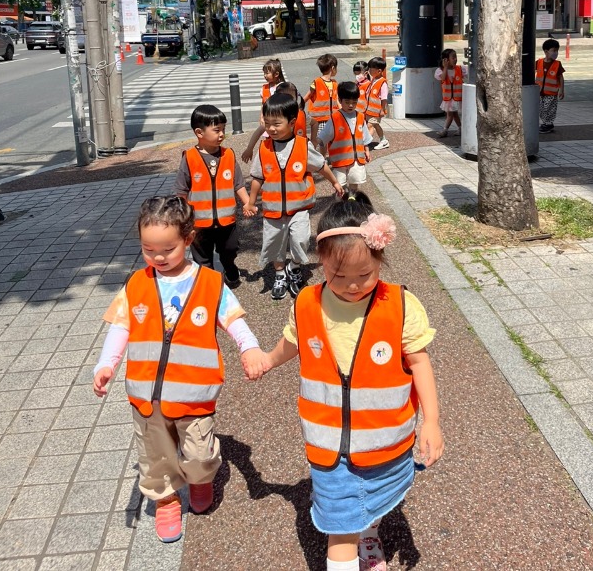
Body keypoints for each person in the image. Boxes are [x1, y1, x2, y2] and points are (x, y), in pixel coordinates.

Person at [262, 193, 444, 571]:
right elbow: (290, 344)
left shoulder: (401, 305)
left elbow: (420, 362)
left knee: (373, 500)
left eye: (364, 275)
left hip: (384, 440)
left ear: (380, 260)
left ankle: (370, 530)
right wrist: (266, 360)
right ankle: (354, 539)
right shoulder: (308, 303)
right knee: (339, 526)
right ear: (321, 263)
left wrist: (432, 421)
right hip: (328, 445)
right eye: (336, 276)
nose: (351, 285)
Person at [92, 196, 266, 543]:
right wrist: (106, 364)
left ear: (188, 239)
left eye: (167, 249)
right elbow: (120, 327)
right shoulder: (136, 284)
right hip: (146, 397)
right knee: (155, 457)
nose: (158, 257)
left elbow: (234, 321)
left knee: (200, 454)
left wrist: (250, 348)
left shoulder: (210, 284)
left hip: (194, 395)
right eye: (148, 249)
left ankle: (200, 481)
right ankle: (167, 499)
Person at [244, 91, 344, 300]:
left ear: (291, 123)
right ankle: (280, 274)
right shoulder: (264, 148)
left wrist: (334, 181)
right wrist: (251, 202)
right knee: (275, 243)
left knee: (300, 240)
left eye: (276, 124)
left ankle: (295, 267)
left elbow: (321, 166)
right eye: (268, 123)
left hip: (299, 207)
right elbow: (257, 177)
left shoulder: (302, 145)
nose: (271, 129)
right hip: (272, 210)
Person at [175, 104, 248, 286]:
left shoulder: (228, 155)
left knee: (229, 250)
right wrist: (183, 216)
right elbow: (181, 190)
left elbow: (237, 183)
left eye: (223, 129)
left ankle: (230, 268)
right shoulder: (190, 157)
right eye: (217, 130)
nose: (222, 134)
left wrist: (247, 202)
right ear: (199, 132)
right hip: (199, 222)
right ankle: (210, 285)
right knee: (203, 258)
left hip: (227, 220)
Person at [317, 80, 373, 197]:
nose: (351, 105)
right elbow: (323, 139)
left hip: (357, 158)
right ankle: (340, 202)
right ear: (340, 100)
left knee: (355, 180)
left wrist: (366, 150)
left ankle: (352, 197)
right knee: (340, 183)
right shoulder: (335, 118)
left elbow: (364, 137)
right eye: (347, 102)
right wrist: (322, 156)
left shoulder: (360, 116)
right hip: (339, 160)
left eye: (354, 102)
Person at [241, 81, 308, 163]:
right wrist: (249, 148)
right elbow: (258, 131)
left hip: (298, 152)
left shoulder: (301, 114)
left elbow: (313, 122)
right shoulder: (273, 118)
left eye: (290, 98)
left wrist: (314, 140)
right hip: (276, 152)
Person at [303, 52, 339, 145]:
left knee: (331, 139)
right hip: (319, 119)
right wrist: (298, 107)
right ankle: (319, 157)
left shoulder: (334, 83)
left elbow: (337, 100)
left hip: (332, 117)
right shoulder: (316, 82)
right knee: (321, 141)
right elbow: (307, 96)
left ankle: (327, 157)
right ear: (333, 68)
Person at [535, 39, 565, 133]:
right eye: (554, 50)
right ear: (546, 51)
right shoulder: (539, 62)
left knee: (549, 108)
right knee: (541, 108)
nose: (556, 53)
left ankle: (548, 124)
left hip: (551, 93)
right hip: (539, 92)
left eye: (557, 51)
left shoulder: (557, 64)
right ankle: (547, 123)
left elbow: (561, 78)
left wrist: (561, 90)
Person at [434, 48, 465, 137]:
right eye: (453, 57)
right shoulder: (440, 70)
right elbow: (442, 78)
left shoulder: (460, 69)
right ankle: (460, 128)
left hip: (456, 97)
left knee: (450, 114)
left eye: (456, 57)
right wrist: (445, 67)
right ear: (446, 60)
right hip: (448, 98)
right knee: (453, 114)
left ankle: (445, 130)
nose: (455, 59)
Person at [365, 56, 390, 150]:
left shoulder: (382, 83)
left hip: (376, 111)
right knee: (375, 125)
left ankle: (364, 144)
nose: (369, 70)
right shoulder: (374, 79)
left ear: (379, 71)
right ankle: (383, 140)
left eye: (371, 69)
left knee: (370, 126)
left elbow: (384, 98)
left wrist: (382, 110)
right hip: (370, 110)